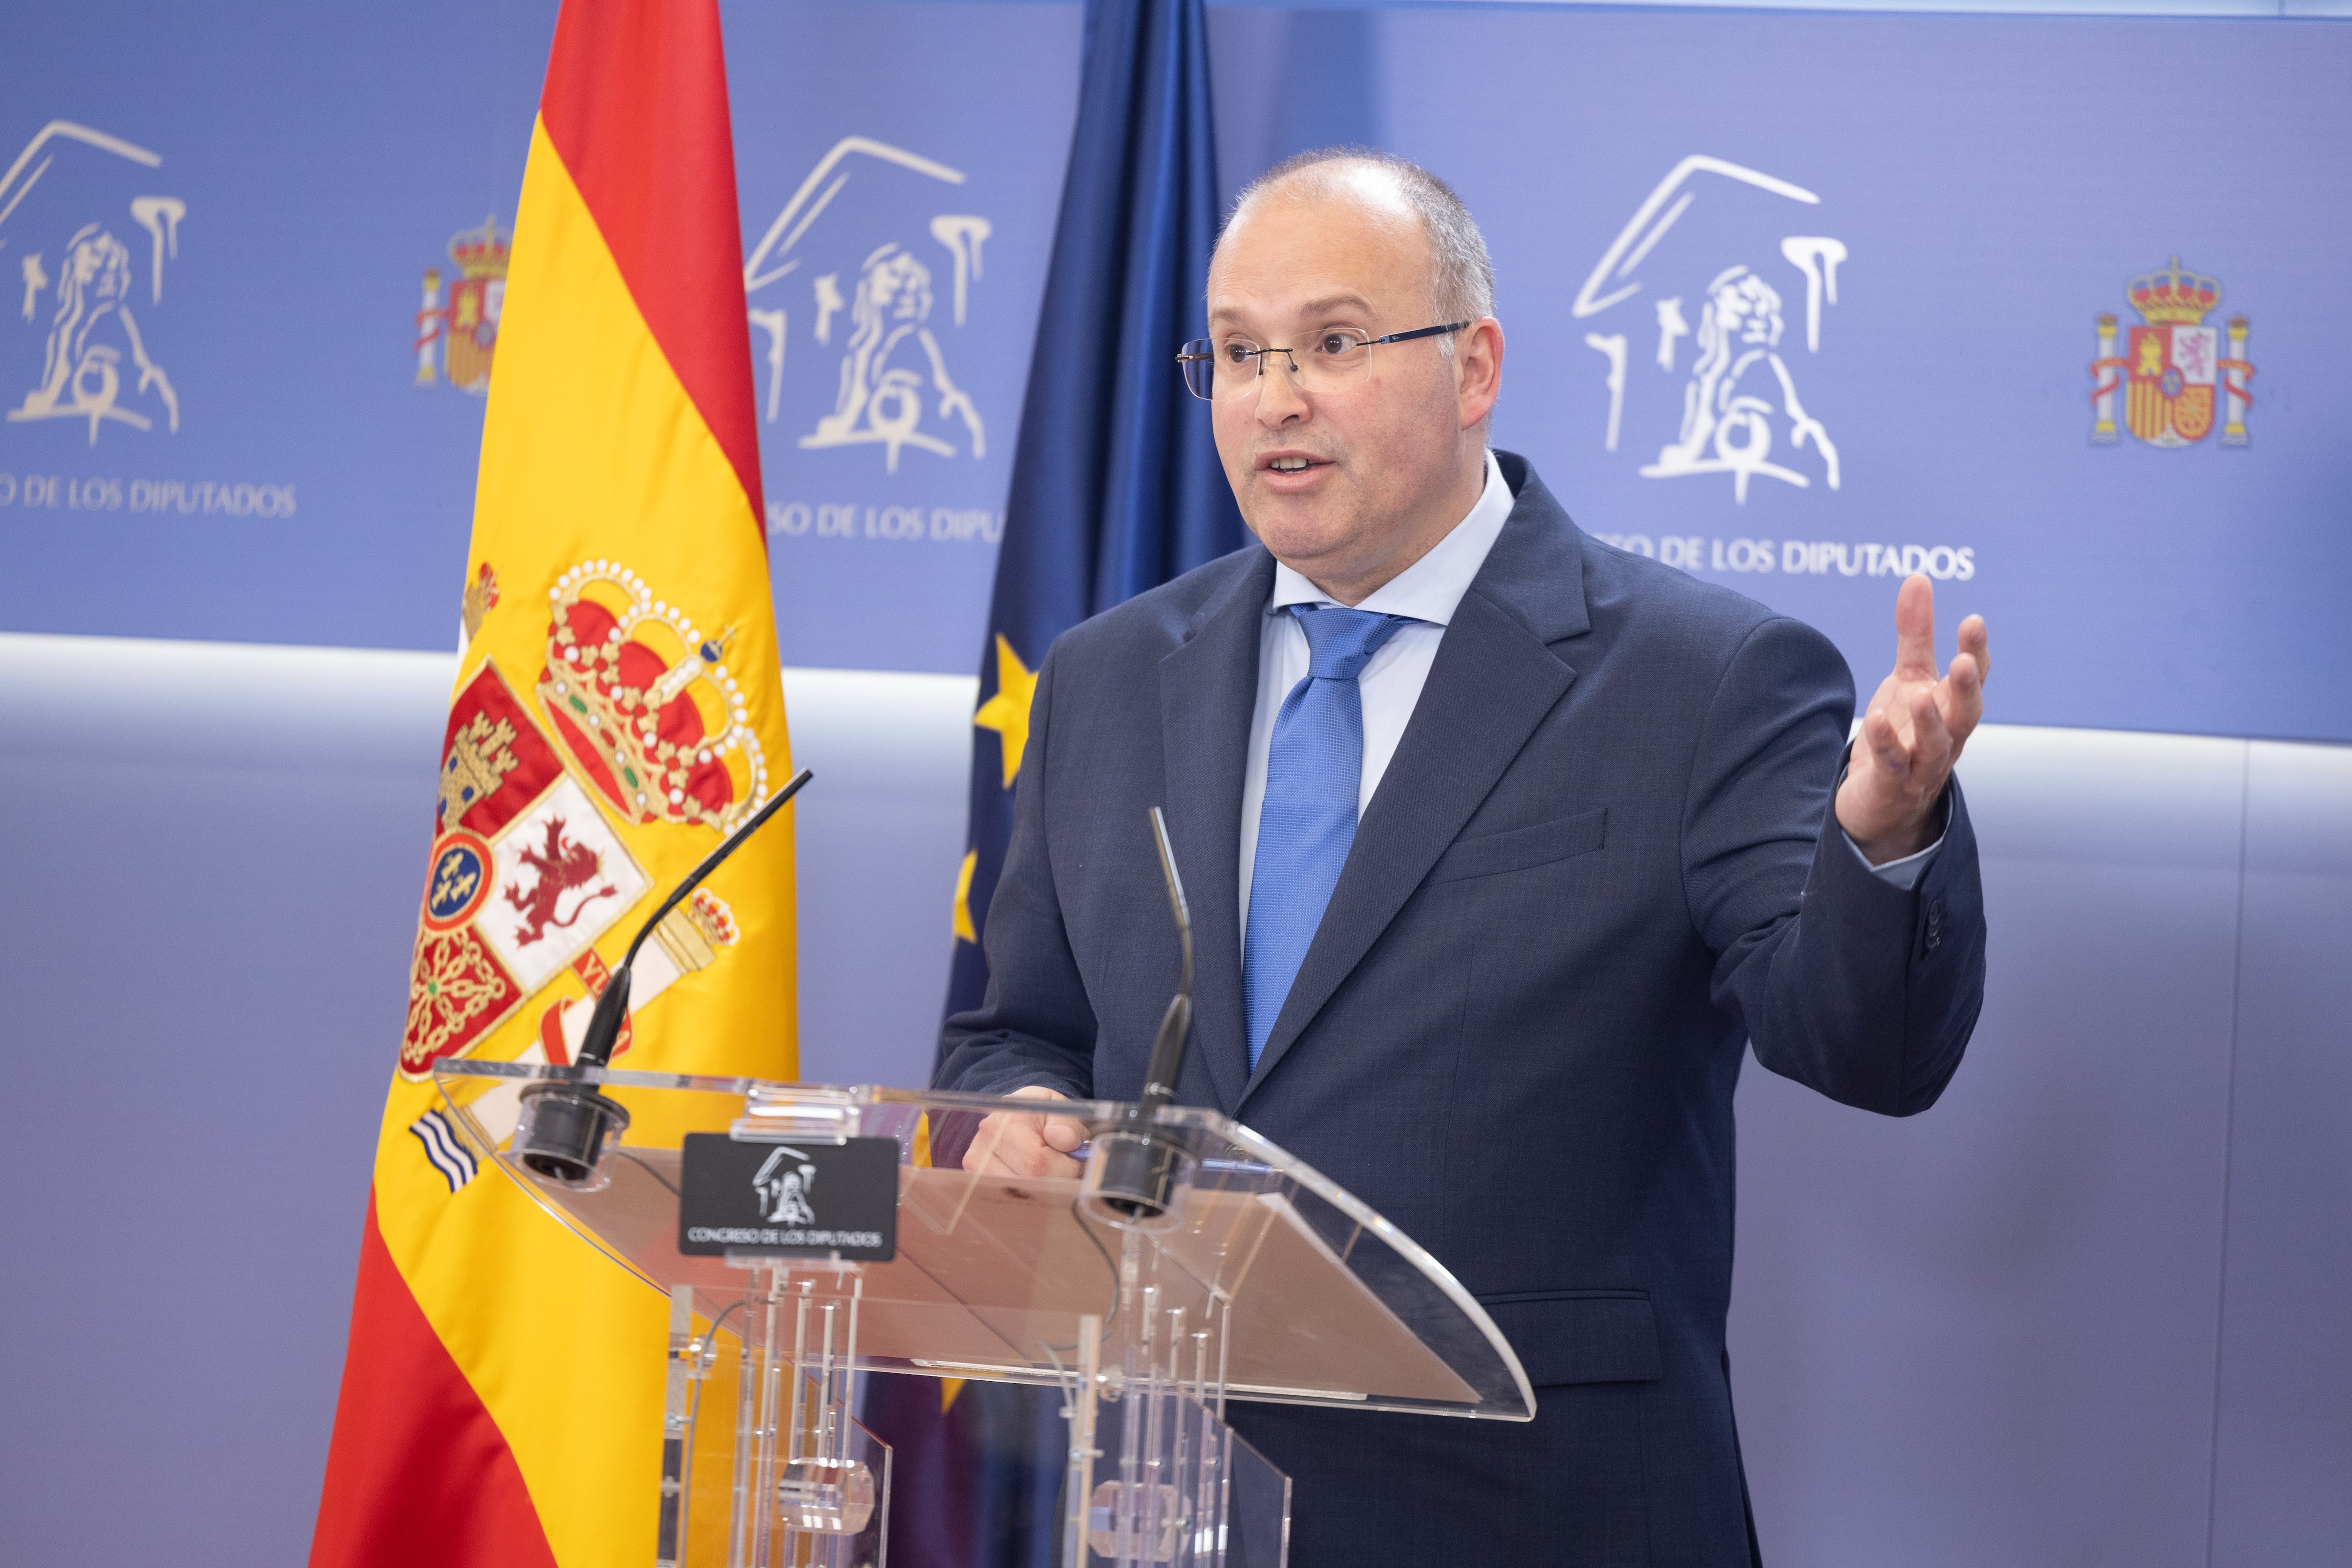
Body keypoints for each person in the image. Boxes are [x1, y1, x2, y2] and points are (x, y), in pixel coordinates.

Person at [935, 149, 1989, 1567]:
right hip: (1170, 1499)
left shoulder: (1703, 676)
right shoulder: (1110, 680)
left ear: (1475, 366)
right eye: (1238, 353)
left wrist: (1886, 836)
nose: (1276, 398)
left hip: (1540, 1509)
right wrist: (1019, 1113)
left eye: (1333, 343)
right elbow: (1016, 1030)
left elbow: (1868, 1045)